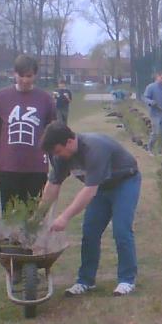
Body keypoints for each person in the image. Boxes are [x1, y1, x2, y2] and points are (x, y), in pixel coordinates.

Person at [39, 122, 141, 297]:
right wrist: (39, 215)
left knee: (121, 230)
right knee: (90, 232)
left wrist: (64, 217)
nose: (56, 156)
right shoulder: (61, 156)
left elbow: (89, 191)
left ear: (70, 141)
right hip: (101, 186)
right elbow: (53, 185)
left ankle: (127, 280)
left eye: (58, 151)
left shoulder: (95, 149)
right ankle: (85, 281)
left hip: (125, 182)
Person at [0, 54, 57, 212]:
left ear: (35, 75)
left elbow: (52, 135)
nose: (25, 80)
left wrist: (57, 165)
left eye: (29, 76)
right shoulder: (1, 98)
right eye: (21, 75)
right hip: (8, 167)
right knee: (11, 216)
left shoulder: (45, 100)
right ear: (14, 74)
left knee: (34, 215)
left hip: (36, 168)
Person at [143, 71, 162, 152]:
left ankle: (161, 150)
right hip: (155, 114)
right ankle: (150, 148)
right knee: (155, 133)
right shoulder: (150, 87)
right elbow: (145, 98)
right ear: (157, 77)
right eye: (161, 78)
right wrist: (151, 102)